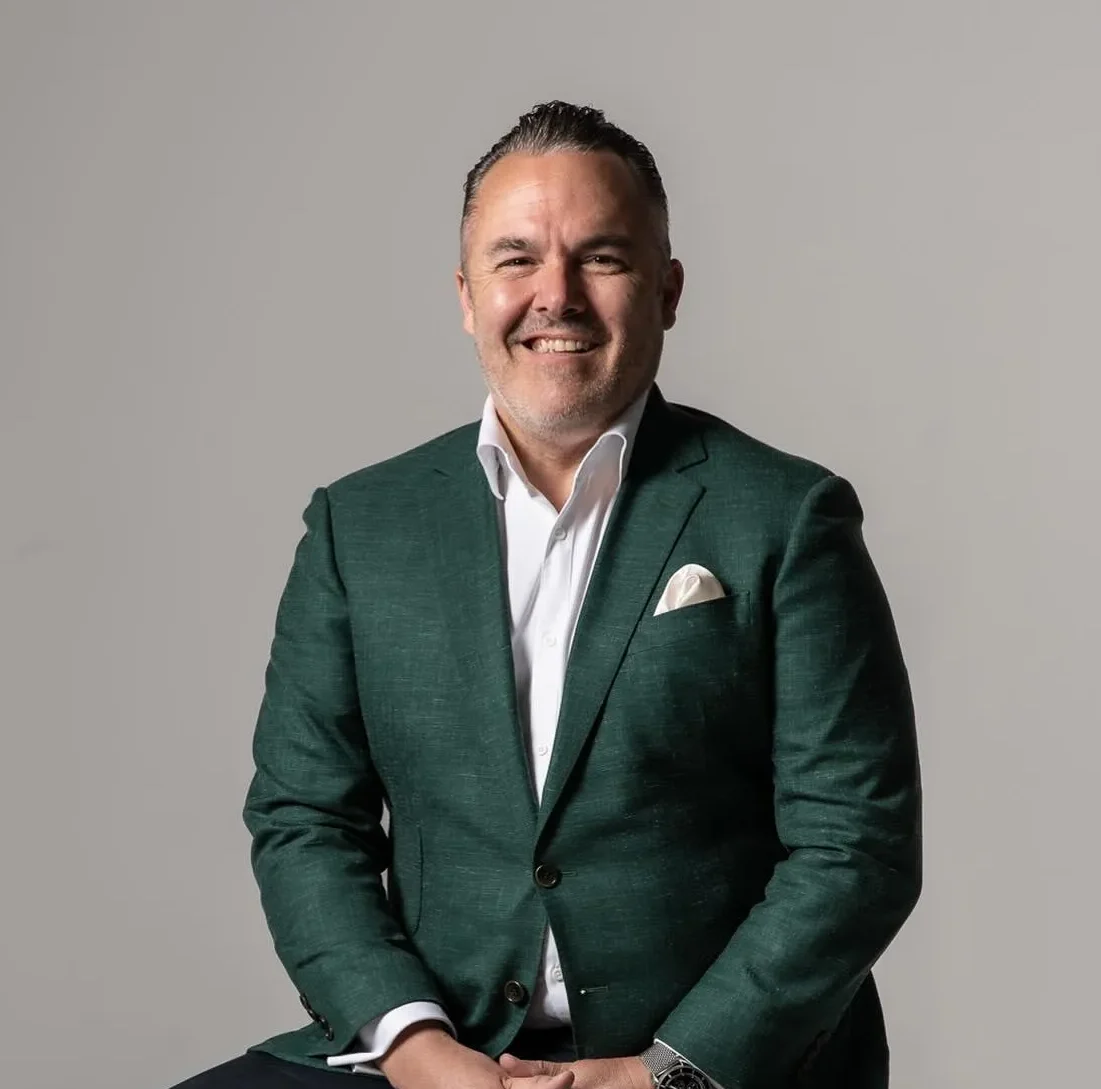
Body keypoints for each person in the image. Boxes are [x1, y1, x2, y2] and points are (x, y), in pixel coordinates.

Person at [172, 100, 921, 1089]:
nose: (554, 296)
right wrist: (417, 1049)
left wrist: (664, 1073)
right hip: (441, 1047)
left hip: (709, 1065)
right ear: (466, 293)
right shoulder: (361, 528)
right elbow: (306, 820)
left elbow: (855, 846)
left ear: (667, 291)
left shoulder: (786, 517)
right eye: (516, 259)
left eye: (600, 258)